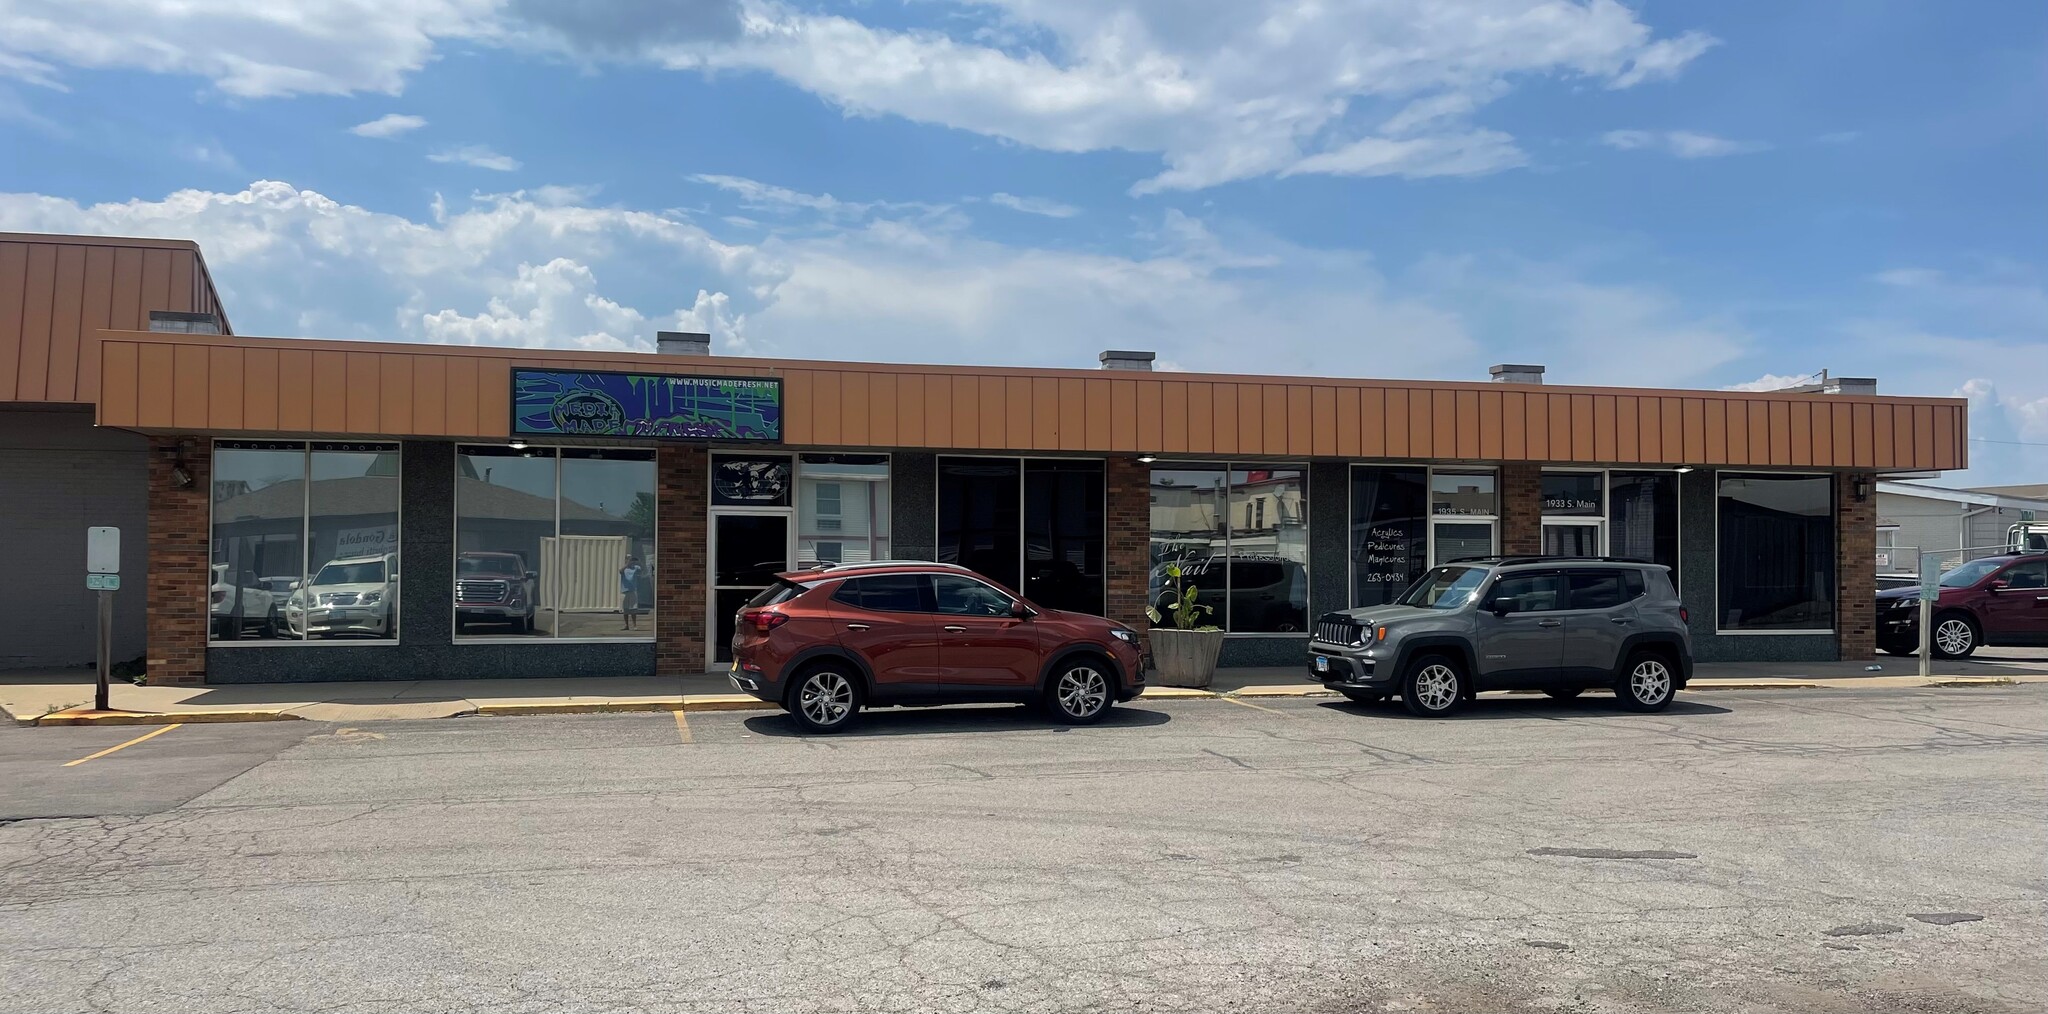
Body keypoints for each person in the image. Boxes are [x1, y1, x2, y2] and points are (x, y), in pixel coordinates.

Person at [619, 555, 642, 630]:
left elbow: (641, 570)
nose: (630, 560)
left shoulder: (636, 568)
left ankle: (634, 625)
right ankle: (626, 625)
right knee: (625, 609)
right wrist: (627, 564)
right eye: (628, 558)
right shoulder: (624, 569)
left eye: (630, 558)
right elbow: (620, 571)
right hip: (625, 591)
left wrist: (638, 561)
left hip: (633, 590)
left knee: (633, 609)